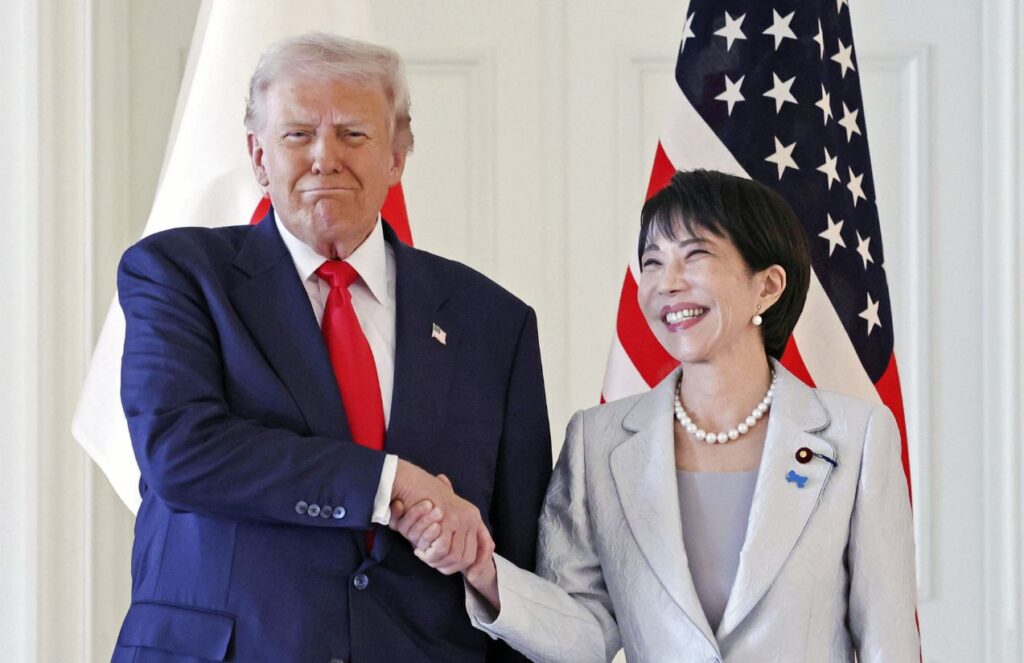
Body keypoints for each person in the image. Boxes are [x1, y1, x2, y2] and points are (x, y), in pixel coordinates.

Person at [112, 32, 551, 662]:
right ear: (258, 156)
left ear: (397, 156)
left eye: (353, 133)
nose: (325, 158)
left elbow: (516, 559)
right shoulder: (179, 275)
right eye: (297, 134)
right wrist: (391, 483)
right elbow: (179, 450)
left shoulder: (494, 322)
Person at [394, 169, 920, 661]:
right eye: (651, 262)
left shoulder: (856, 437)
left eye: (695, 255)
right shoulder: (597, 441)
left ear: (767, 286)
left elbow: (888, 639)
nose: (666, 283)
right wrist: (481, 567)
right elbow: (584, 633)